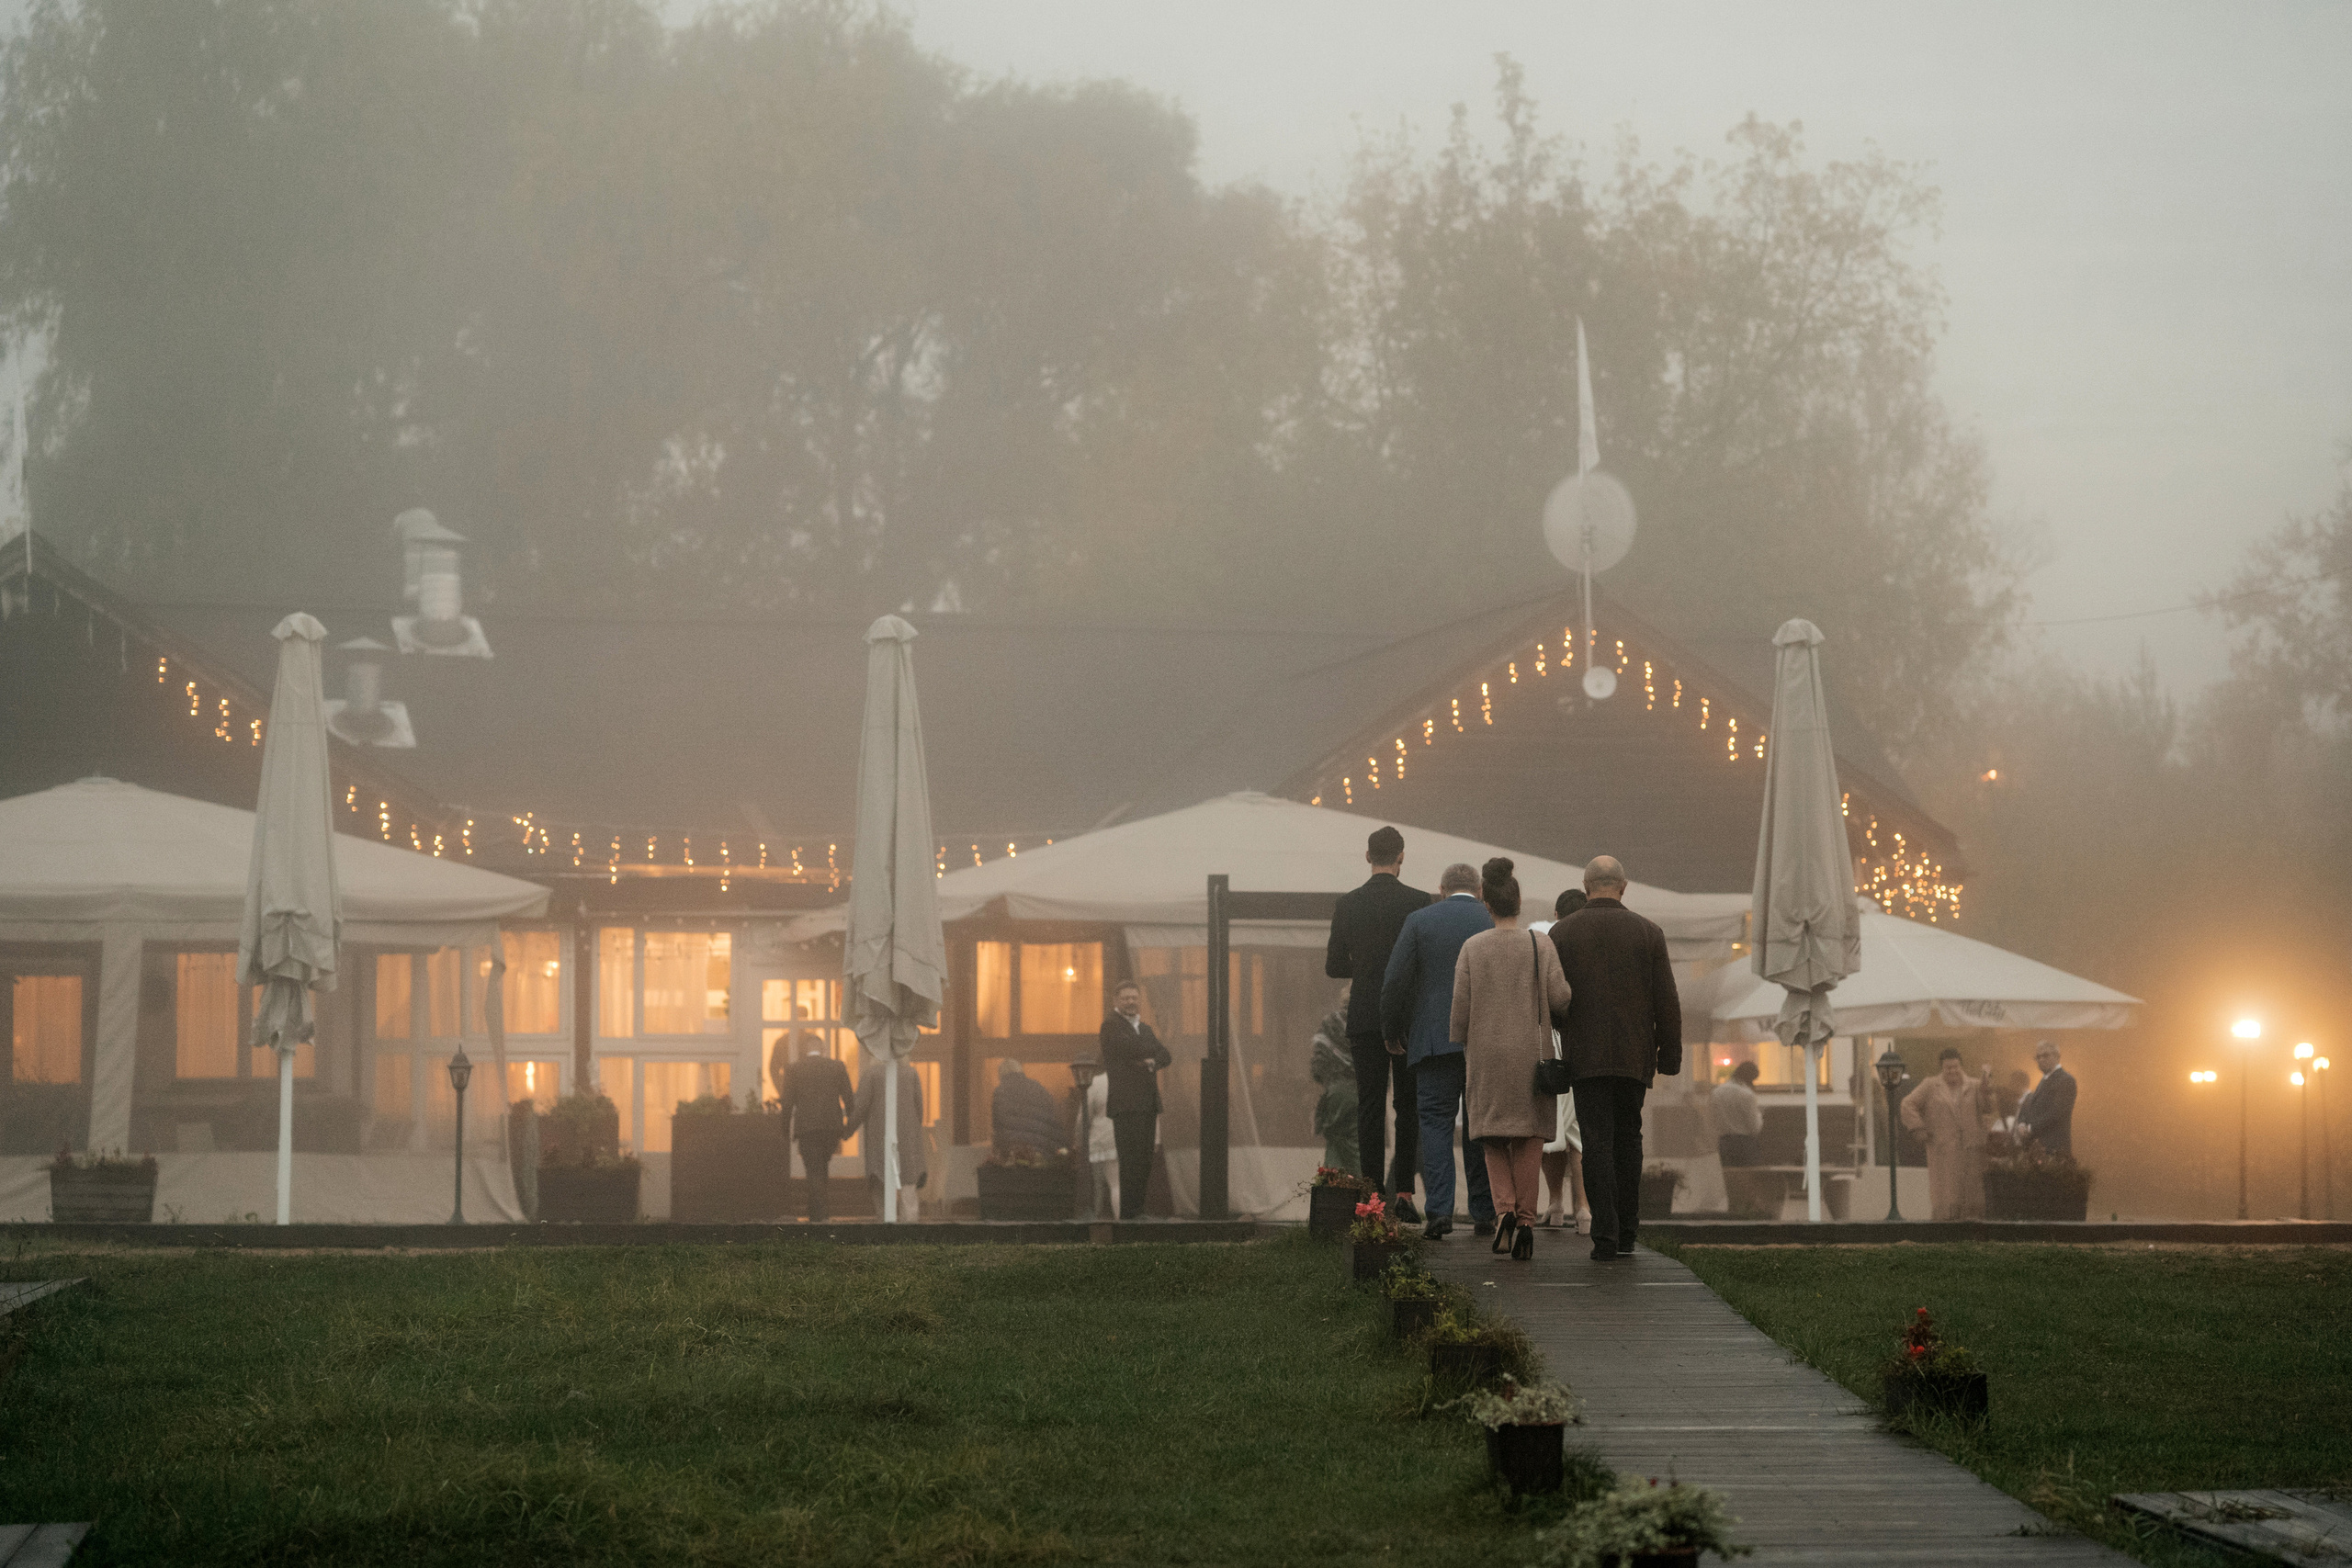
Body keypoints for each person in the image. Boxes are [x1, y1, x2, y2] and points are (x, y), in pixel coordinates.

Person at [1550, 853, 1682, 1261]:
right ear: (1623, 887)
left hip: (1585, 1057)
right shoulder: (1649, 932)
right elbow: (1667, 1000)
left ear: (1587, 887)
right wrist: (1669, 1054)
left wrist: (1562, 1028)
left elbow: (1553, 1000)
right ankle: (1628, 1232)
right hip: (1633, 1055)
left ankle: (1604, 1235)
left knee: (1596, 1142)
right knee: (1630, 1139)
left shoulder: (1562, 933)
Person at [1448, 858, 1573, 1260]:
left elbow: (1460, 1012)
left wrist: (1462, 1040)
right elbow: (1560, 998)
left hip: (1485, 1055)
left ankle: (1502, 1210)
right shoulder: (1541, 944)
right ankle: (1525, 1221)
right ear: (1518, 903)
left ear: (1488, 905)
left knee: (1491, 1136)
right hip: (1531, 1055)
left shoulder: (1472, 948)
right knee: (1529, 1138)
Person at [1381, 862, 1498, 1239]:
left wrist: (1392, 1030)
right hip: (1483, 1041)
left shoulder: (1419, 920)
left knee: (1433, 1122)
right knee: (1480, 1126)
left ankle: (1440, 1211)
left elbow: (1395, 980)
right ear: (1479, 890)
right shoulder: (1493, 921)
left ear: (1442, 889)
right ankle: (1484, 1211)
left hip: (1432, 1039)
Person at [1325, 825, 1431, 1222]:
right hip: (1408, 1018)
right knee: (1408, 1105)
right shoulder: (1420, 902)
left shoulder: (1348, 904)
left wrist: (1366, 969)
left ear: (1367, 856)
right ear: (1401, 857)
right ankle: (1404, 1193)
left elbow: (1334, 965)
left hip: (1366, 1015)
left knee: (1369, 1105)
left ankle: (1371, 1197)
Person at [1536, 889, 1592, 1232]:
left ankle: (1555, 1203)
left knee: (1552, 1129)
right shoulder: (1594, 946)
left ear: (1556, 913)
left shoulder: (1548, 945)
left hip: (1554, 1044)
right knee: (1578, 1133)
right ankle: (1583, 1208)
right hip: (1586, 1045)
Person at [1100, 979, 1171, 1220]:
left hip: (1147, 1104)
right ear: (1116, 1001)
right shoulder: (1110, 1026)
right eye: (1126, 998)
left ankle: (1138, 1211)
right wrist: (1149, 1055)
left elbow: (1165, 1055)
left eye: (1134, 998)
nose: (1131, 1002)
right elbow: (1131, 1049)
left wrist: (1150, 1060)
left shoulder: (1146, 1028)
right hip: (1126, 1105)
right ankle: (1130, 1215)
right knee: (1130, 1160)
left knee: (1144, 1161)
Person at [1901, 1046, 1996, 1219]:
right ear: (1942, 1068)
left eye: (1956, 1067)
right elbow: (1907, 1104)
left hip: (1971, 1153)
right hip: (1943, 1154)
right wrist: (1918, 1128)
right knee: (1946, 1200)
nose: (1953, 1071)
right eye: (1948, 1068)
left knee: (1972, 1200)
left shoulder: (1974, 1086)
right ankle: (1944, 1233)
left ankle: (1972, 1237)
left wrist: (1986, 1087)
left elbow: (1988, 1108)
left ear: (1961, 1066)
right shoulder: (1930, 1085)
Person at [780, 1039, 854, 1222]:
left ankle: (819, 1216)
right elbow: (849, 1098)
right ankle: (817, 1213)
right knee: (821, 1166)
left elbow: (787, 1103)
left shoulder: (794, 1069)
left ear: (805, 1049)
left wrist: (784, 1130)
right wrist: (848, 1126)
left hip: (807, 1128)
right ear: (823, 1049)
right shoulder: (837, 1067)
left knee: (813, 1169)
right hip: (831, 1128)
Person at [847, 1055, 927, 1220]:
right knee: (908, 1183)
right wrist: (913, 1129)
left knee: (881, 1180)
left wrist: (847, 1131)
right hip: (908, 1137)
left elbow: (860, 1107)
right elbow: (919, 1107)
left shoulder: (872, 1074)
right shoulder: (911, 1074)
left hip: (879, 1137)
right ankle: (910, 1227)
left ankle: (886, 1223)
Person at [1311, 1003, 1361, 1176]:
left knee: (1335, 1142)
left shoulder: (1331, 1022)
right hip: (1363, 1091)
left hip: (1336, 1091)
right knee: (1357, 1146)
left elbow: (1317, 1061)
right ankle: (1366, 1194)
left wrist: (1327, 1080)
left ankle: (1330, 1193)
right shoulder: (1370, 1020)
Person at [990, 1058, 1066, 1158]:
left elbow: (998, 1124)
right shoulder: (1038, 1088)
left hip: (1017, 1151)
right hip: (1043, 1147)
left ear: (1001, 1074)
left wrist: (1000, 1150)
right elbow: (1052, 1115)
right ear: (1020, 1070)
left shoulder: (1001, 1091)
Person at [2016, 1040, 2077, 1158]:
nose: (2041, 1060)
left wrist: (2030, 1128)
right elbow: (2031, 1106)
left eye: (2045, 1055)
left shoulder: (2066, 1080)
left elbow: (2057, 1112)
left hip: (2054, 1150)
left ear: (2057, 1057)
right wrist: (2022, 1123)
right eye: (2038, 1057)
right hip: (2039, 1150)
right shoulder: (2044, 1080)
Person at [1080, 1067, 1118, 1219]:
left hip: (1101, 1140)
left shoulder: (1096, 1083)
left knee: (1100, 1185)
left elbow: (1084, 1115)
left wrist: (1078, 1139)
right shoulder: (1129, 1080)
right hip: (1125, 1137)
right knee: (1117, 1184)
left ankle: (1096, 1220)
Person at [1713, 1062, 1765, 1168]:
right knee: (1748, 1179)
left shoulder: (1716, 1092)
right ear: (1750, 1078)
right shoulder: (1746, 1094)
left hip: (1723, 1143)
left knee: (1728, 1178)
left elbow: (1711, 1121)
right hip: (1744, 1145)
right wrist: (1760, 1115)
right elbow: (1754, 1128)